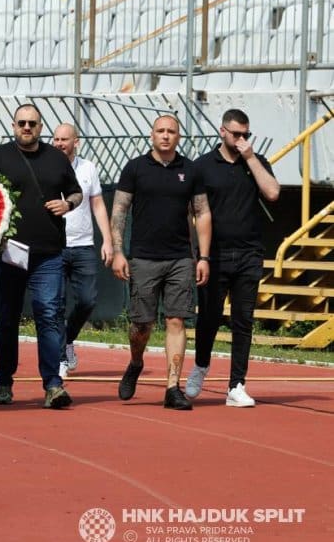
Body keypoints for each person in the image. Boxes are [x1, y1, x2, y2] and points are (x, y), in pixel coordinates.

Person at [0, 104, 82, 409]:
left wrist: (69, 205)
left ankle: (53, 385)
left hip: (49, 253)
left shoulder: (56, 158)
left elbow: (75, 192)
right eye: (22, 123)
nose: (27, 127)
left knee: (49, 316)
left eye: (33, 123)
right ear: (13, 125)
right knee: (8, 318)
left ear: (41, 127)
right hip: (10, 252)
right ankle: (3, 381)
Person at [110, 115, 212, 411]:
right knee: (141, 324)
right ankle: (135, 362)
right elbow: (119, 211)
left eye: (171, 131)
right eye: (160, 131)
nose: (165, 136)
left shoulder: (190, 170)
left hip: (181, 257)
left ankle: (172, 387)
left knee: (176, 319)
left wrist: (202, 257)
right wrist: (118, 251)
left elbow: (202, 213)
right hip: (143, 257)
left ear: (179, 136)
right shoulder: (136, 168)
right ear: (151, 134)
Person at [188, 110, 279, 407]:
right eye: (236, 134)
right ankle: (201, 365)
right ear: (222, 131)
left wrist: (251, 157)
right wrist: (198, 254)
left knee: (243, 321)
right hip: (214, 254)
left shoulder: (255, 162)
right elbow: (193, 212)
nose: (241, 140)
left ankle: (236, 385)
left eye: (246, 134)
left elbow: (273, 192)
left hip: (249, 253)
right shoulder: (202, 166)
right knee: (210, 317)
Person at [51, 123, 113, 377]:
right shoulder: (46, 166)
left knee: (88, 300)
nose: (59, 143)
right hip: (54, 246)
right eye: (55, 139)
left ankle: (67, 339)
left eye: (64, 139)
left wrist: (107, 240)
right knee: (55, 304)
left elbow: (98, 205)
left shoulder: (88, 168)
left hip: (83, 244)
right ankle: (59, 360)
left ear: (76, 142)